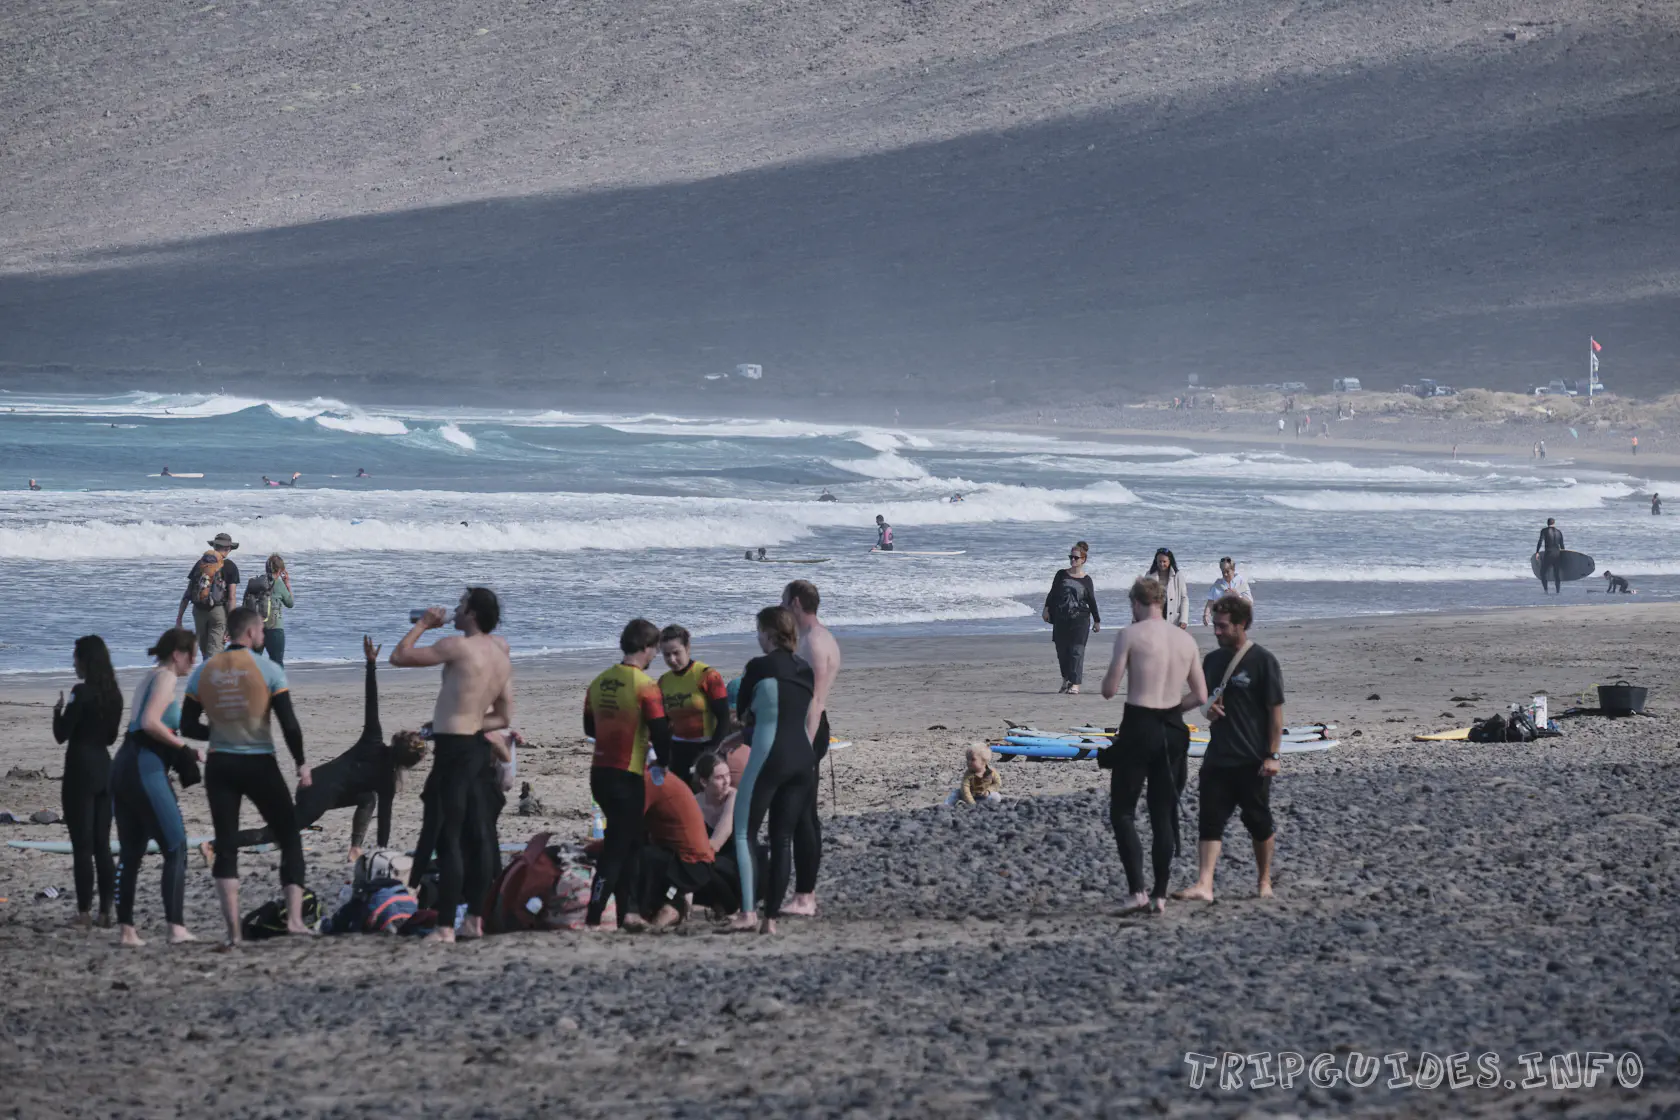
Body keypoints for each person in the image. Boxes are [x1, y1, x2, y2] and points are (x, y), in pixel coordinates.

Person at [207, 637, 425, 864]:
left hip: (314, 781)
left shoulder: (373, 739)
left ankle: (355, 849)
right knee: (271, 834)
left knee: (368, 798)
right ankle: (214, 844)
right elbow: (385, 822)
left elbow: (372, 703)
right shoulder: (387, 781)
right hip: (317, 797)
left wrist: (371, 663)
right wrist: (383, 852)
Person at [182, 607, 311, 946]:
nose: (264, 637)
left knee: (226, 846)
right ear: (252, 633)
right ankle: (295, 921)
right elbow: (289, 724)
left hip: (220, 766)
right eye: (262, 632)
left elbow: (187, 724)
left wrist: (221, 731)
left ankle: (234, 933)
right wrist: (301, 763)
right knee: (289, 835)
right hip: (258, 763)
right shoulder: (268, 669)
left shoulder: (204, 671)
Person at [392, 588, 514, 943]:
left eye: (460, 606)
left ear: (473, 614)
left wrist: (424, 625)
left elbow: (399, 657)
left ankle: (445, 926)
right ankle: (474, 918)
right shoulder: (501, 653)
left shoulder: (458, 646)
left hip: (454, 751)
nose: (454, 611)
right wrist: (473, 722)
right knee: (477, 837)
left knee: (450, 838)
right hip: (477, 748)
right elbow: (504, 715)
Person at [1099, 578, 1208, 914]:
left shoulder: (1130, 635)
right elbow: (1201, 696)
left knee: (1123, 811)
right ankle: (1160, 895)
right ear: (1163, 603)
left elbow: (1109, 689)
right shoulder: (1186, 640)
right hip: (1174, 728)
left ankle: (1137, 892)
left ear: (1136, 603)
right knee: (1163, 812)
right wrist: (1174, 709)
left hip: (1139, 725)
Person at [1173, 595, 1283, 902]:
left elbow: (1275, 713)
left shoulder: (1263, 662)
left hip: (1253, 758)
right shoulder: (1213, 661)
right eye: (1216, 626)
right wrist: (1196, 711)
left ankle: (1264, 880)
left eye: (1223, 626)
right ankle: (1204, 884)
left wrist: (1273, 755)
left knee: (1258, 821)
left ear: (1241, 624)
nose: (1217, 632)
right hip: (1218, 756)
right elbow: (1203, 700)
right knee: (1210, 819)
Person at [110, 627, 200, 946]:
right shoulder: (166, 677)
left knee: (131, 852)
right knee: (176, 846)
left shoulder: (149, 676)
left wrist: (186, 749)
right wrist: (183, 749)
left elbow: (144, 725)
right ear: (177, 654)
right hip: (144, 767)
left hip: (123, 765)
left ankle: (127, 931)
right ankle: (175, 928)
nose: (195, 658)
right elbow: (149, 722)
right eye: (192, 652)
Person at [729, 606, 816, 934]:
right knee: (781, 838)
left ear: (767, 633)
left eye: (758, 631)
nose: (757, 637)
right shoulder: (805, 668)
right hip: (802, 759)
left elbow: (743, 713)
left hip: (770, 755)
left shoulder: (758, 666)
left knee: (743, 832)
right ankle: (771, 920)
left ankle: (748, 912)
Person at [582, 618, 672, 931]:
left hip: (600, 773)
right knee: (618, 847)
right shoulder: (646, 687)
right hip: (627, 773)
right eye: (655, 650)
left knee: (631, 842)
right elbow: (662, 733)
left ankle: (627, 912)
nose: (655, 657)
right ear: (647, 648)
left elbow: (588, 727)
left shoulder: (599, 681)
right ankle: (594, 916)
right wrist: (665, 762)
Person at [53, 635, 124, 928]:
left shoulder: (79, 693)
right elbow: (109, 737)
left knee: (82, 846)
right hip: (104, 769)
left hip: (79, 770)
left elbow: (62, 735)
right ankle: (106, 911)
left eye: (76, 657)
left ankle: (84, 912)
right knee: (102, 846)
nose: (73, 662)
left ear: (86, 660)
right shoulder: (115, 695)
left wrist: (57, 711)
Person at [782, 578, 839, 917]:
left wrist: (802, 748)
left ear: (797, 603)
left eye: (785, 601)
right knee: (803, 815)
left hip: (809, 731)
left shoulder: (816, 642)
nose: (783, 606)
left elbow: (815, 703)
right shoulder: (810, 638)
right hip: (804, 730)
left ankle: (805, 896)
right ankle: (805, 894)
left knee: (803, 816)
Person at [638, 762, 720, 928]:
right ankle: (672, 907)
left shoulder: (649, 781)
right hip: (694, 862)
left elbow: (625, 831)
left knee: (638, 857)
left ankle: (643, 912)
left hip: (688, 864)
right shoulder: (659, 777)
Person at [657, 625, 731, 783]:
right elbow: (664, 722)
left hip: (706, 747)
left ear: (687, 647)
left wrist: (712, 750)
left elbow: (724, 718)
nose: (672, 659)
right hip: (677, 749)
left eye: (676, 653)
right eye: (666, 655)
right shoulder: (663, 682)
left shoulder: (708, 676)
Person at [1042, 541, 1100, 694]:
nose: (1073, 560)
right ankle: (1066, 678)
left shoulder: (1087, 580)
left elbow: (1091, 600)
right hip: (1061, 619)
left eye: (1076, 558)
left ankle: (1075, 683)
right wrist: (1046, 609)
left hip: (1080, 619)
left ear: (1083, 560)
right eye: (1071, 557)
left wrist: (1097, 620)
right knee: (1062, 651)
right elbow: (1052, 593)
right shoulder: (1061, 574)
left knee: (1077, 651)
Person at [176, 532, 241, 660]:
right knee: (216, 651)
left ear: (214, 546)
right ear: (228, 549)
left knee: (205, 651)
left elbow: (188, 592)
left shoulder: (201, 564)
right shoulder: (230, 567)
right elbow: (232, 598)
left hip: (199, 610)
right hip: (218, 611)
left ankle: (207, 676)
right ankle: (212, 678)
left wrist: (179, 617)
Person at [246, 553, 294, 666]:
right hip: (274, 628)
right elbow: (290, 603)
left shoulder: (255, 583)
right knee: (276, 663)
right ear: (281, 570)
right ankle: (275, 684)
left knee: (254, 663)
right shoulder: (279, 584)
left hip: (255, 627)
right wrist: (287, 583)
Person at [1141, 548, 1190, 629]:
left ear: (1170, 561)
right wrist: (1136, 618)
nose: (1162, 564)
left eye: (1164, 561)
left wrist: (1184, 620)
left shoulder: (1177, 576)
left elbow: (1184, 598)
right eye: (1159, 561)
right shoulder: (1149, 575)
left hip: (1173, 619)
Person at [1201, 557, 1254, 626]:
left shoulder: (1241, 583)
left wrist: (1237, 595)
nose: (1225, 574)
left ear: (1233, 570)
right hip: (1221, 621)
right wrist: (1206, 615)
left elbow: (1250, 603)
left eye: (1227, 571)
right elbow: (1210, 602)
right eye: (1223, 572)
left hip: (1238, 621)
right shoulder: (1218, 584)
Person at [1534, 517, 1565, 594]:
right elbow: (1562, 546)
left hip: (1548, 554)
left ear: (1547, 523)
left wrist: (1537, 552)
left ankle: (1546, 590)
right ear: (1554, 523)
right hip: (1557, 554)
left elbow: (1540, 541)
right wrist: (1564, 556)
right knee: (1556, 573)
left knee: (1543, 573)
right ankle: (1558, 591)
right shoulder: (1559, 532)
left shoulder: (1544, 531)